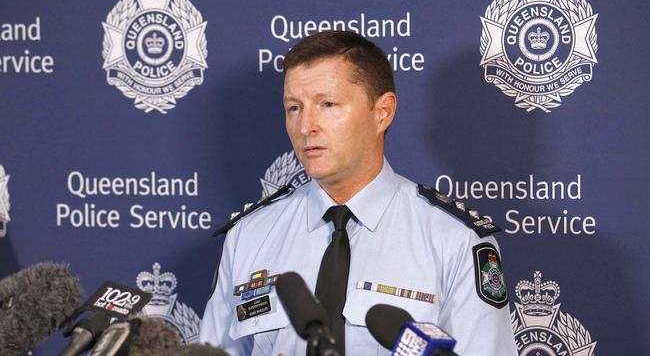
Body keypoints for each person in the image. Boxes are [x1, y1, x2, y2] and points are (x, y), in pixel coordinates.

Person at [199, 31, 517, 356]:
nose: (306, 125)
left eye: (327, 104)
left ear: (383, 112)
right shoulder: (249, 236)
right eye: (294, 107)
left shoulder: (453, 239)